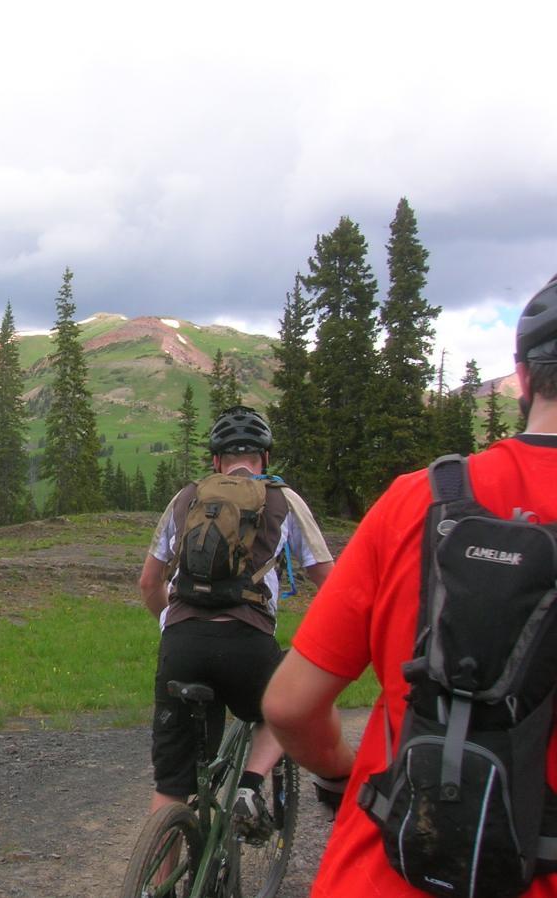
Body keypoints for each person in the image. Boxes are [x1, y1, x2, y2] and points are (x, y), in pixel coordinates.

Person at [262, 272, 557, 896]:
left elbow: (289, 705)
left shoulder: (416, 500)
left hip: (384, 870)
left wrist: (343, 773)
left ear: (525, 378)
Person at [140, 406, 333, 837]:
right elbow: (330, 583)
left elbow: (149, 582)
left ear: (215, 461)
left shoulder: (186, 498)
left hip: (182, 644)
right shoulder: (284, 499)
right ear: (265, 458)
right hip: (248, 642)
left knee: (171, 785)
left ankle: (157, 884)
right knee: (282, 713)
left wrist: (169, 626)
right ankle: (249, 786)